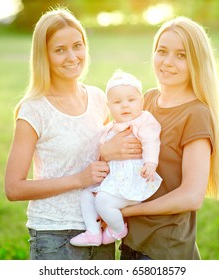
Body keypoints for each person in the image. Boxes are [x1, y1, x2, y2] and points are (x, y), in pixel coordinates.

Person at [100, 16, 219, 260]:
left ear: (196, 62)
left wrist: (127, 211)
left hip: (163, 250)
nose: (168, 62)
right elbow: (111, 146)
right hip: (131, 242)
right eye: (162, 51)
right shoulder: (145, 100)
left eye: (181, 55)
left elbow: (191, 196)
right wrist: (106, 152)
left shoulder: (196, 114)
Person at [4, 7, 117, 260]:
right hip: (55, 236)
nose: (72, 56)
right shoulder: (33, 109)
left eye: (78, 46)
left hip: (100, 229)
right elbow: (13, 188)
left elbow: (109, 159)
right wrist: (80, 179)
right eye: (59, 50)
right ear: (44, 56)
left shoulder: (99, 99)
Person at [69, 70, 162, 247]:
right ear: (109, 106)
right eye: (117, 102)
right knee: (87, 195)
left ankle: (118, 229)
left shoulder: (143, 121)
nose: (125, 106)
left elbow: (151, 140)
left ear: (141, 101)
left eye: (131, 100)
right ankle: (93, 232)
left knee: (103, 201)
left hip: (134, 181)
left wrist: (151, 163)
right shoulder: (109, 129)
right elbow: (99, 152)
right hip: (115, 181)